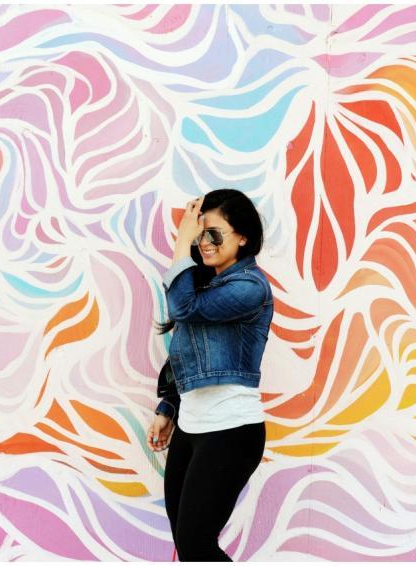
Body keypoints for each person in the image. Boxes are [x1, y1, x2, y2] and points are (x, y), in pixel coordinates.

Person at [146, 188, 273, 561]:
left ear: (243, 237)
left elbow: (183, 307)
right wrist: (168, 407)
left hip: (231, 431)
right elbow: (184, 350)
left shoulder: (250, 288)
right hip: (192, 428)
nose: (203, 242)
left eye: (213, 233)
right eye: (200, 233)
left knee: (198, 545)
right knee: (189, 548)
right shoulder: (205, 285)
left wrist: (181, 245)